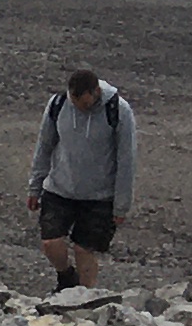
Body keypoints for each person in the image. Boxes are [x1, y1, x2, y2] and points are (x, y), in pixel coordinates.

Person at [28, 68, 135, 289]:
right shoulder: (58, 105)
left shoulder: (119, 111)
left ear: (96, 92)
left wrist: (121, 207)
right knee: (50, 242)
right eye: (75, 104)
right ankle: (66, 278)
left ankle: (85, 300)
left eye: (85, 105)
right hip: (59, 189)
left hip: (99, 196)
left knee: (83, 249)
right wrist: (35, 187)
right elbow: (44, 146)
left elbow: (127, 161)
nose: (80, 109)